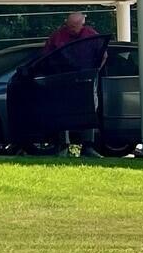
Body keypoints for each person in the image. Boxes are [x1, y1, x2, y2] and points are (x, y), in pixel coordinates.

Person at [38, 11, 101, 155]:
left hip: (86, 80)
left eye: (74, 26)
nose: (71, 29)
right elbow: (46, 56)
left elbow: (103, 55)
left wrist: (95, 72)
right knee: (63, 111)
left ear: (82, 24)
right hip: (63, 80)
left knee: (88, 111)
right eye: (69, 25)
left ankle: (88, 147)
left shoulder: (91, 35)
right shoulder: (57, 36)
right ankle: (63, 146)